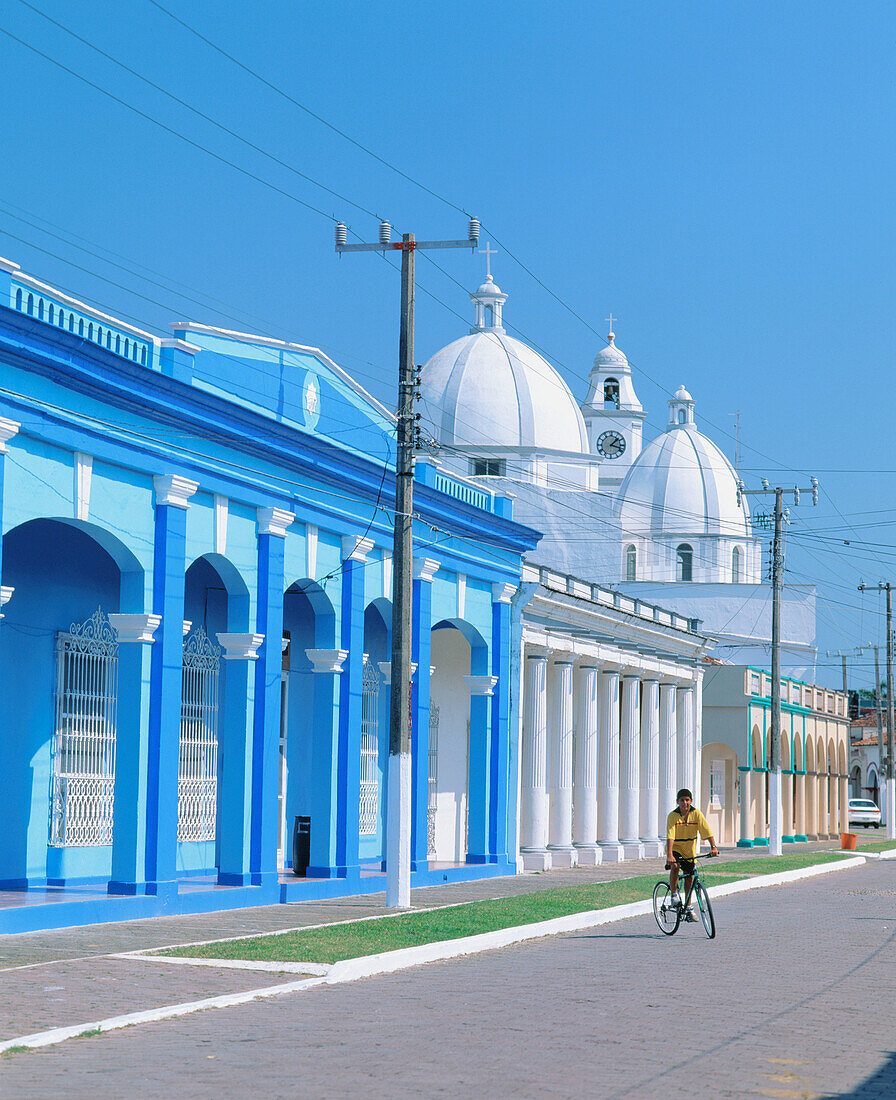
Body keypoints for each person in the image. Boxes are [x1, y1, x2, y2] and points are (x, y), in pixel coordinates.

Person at [665, 788, 718, 920]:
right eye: (682, 800)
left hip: (689, 850)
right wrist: (669, 855)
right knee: (676, 866)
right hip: (675, 848)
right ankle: (674, 894)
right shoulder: (673, 816)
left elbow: (707, 831)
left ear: (691, 801)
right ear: (678, 802)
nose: (685, 803)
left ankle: (688, 908)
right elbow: (670, 836)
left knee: (689, 877)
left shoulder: (697, 814)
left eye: (687, 800)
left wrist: (714, 847)